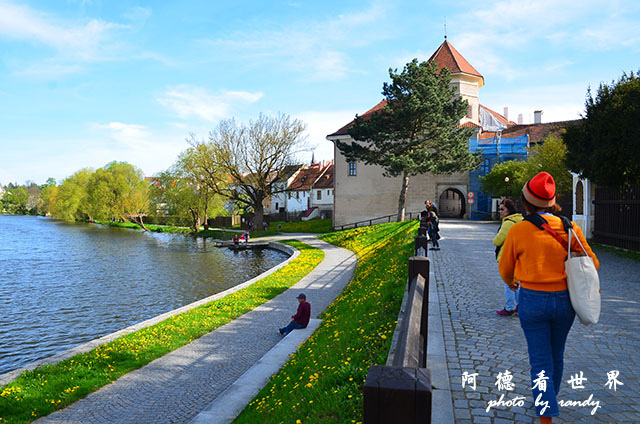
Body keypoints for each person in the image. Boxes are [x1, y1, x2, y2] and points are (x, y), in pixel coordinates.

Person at [499, 172, 599, 424]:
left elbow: (506, 268)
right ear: (552, 201)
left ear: (526, 201)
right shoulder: (569, 227)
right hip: (565, 301)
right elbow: (593, 262)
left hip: (533, 299)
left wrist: (511, 282)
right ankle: (549, 398)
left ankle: (545, 416)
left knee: (540, 359)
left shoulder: (519, 230)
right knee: (556, 355)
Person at [493, 198, 523, 316]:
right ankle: (521, 306)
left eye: (502, 209)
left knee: (508, 283)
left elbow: (497, 241)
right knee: (514, 283)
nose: (499, 211)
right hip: (518, 256)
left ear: (509, 210)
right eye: (499, 209)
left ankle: (509, 307)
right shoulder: (520, 220)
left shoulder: (508, 223)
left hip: (507, 256)